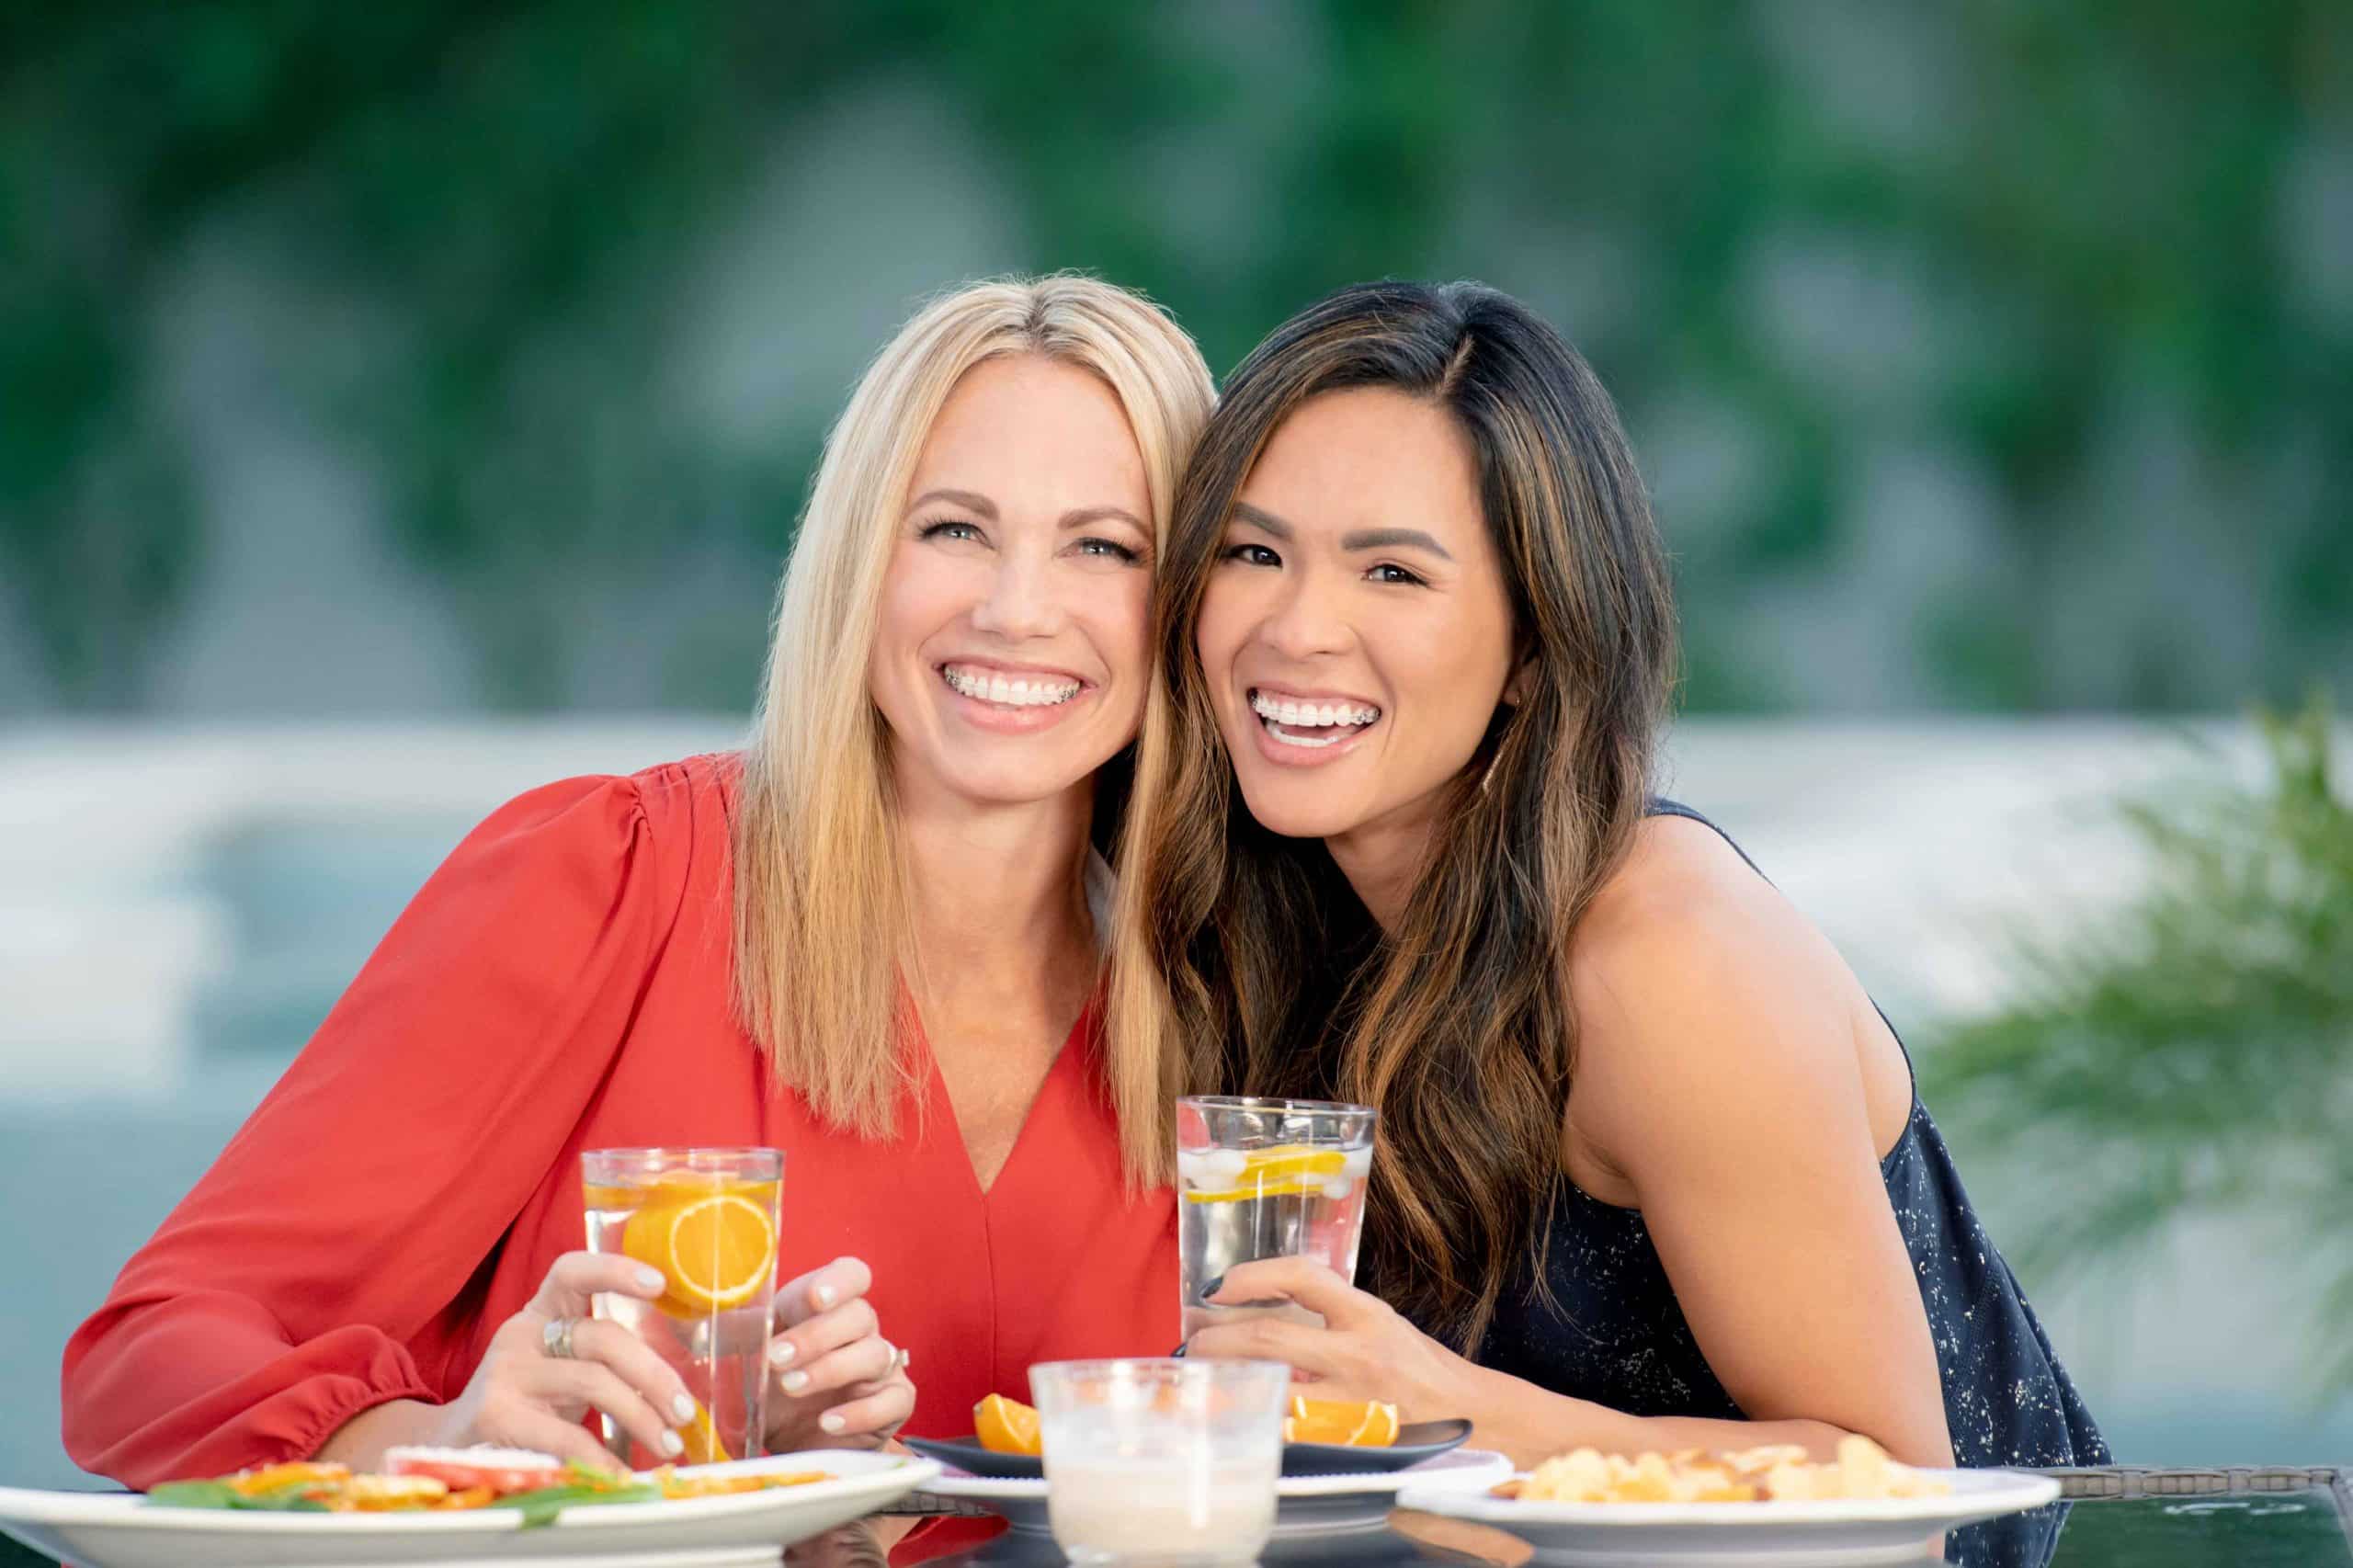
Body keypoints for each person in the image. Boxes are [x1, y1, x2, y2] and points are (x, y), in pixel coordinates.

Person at [63, 275, 1216, 1488]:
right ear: (859, 558)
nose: (1017, 608)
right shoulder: (613, 879)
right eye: (953, 528)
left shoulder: (1231, 1017)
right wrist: (449, 1443)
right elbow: (148, 1354)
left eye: (1105, 546)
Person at [1117, 280, 2107, 1471]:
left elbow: (1894, 1485)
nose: (1296, 628)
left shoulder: (1666, 959)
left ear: (1534, 645)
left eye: (1393, 574)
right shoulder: (1287, 916)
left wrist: (1441, 1404)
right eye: (1253, 551)